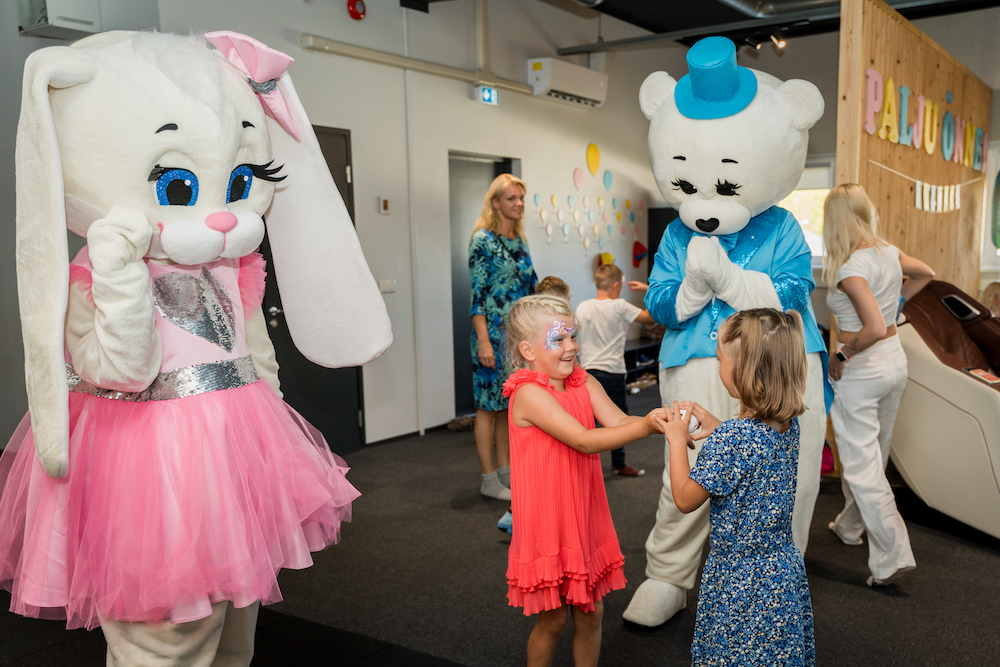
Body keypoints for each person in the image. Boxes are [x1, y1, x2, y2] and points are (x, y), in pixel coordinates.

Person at [502, 294, 665, 667]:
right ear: (528, 350)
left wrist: (659, 420)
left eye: (573, 336)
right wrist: (645, 427)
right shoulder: (528, 394)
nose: (571, 346)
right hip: (548, 519)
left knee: (592, 612)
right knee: (554, 619)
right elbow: (583, 440)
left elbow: (618, 421)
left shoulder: (582, 381)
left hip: (582, 511)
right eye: (558, 339)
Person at [660, 308, 815, 666]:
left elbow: (684, 498)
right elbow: (752, 453)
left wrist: (676, 438)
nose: (719, 368)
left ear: (743, 370)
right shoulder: (786, 423)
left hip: (739, 580)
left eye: (721, 360)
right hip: (779, 572)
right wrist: (720, 427)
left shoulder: (732, 439)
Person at [823, 183, 934, 586]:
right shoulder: (888, 252)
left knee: (862, 466)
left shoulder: (851, 268)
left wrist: (840, 356)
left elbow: (870, 328)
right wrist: (897, 304)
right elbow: (926, 273)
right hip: (894, 363)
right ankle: (850, 526)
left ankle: (893, 555)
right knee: (875, 458)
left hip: (864, 369)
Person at [469, 174, 538, 500]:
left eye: (521, 198)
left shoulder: (519, 240)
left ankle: (506, 473)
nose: (519, 203)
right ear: (495, 203)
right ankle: (488, 479)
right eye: (511, 198)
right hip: (490, 337)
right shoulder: (482, 240)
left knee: (507, 405)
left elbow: (530, 288)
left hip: (517, 337)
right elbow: (477, 297)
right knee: (487, 407)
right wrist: (483, 341)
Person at [575, 263, 655, 476]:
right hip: (613, 372)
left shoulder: (583, 307)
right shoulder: (620, 306)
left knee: (587, 422)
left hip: (587, 373)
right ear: (615, 286)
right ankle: (618, 463)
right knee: (618, 421)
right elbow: (650, 317)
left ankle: (583, 468)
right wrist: (648, 289)